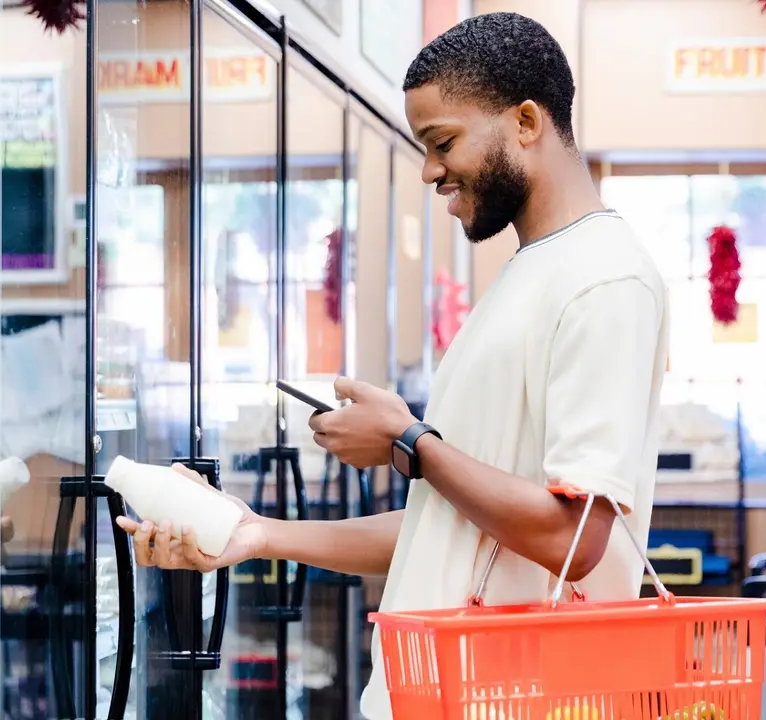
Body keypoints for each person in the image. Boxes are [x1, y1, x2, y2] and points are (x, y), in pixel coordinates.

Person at [116, 12, 669, 718]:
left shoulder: (605, 280)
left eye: (443, 142)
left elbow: (574, 538)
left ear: (526, 121)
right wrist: (255, 533)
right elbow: (450, 528)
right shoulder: (531, 274)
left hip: (520, 697)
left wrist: (409, 442)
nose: (431, 169)